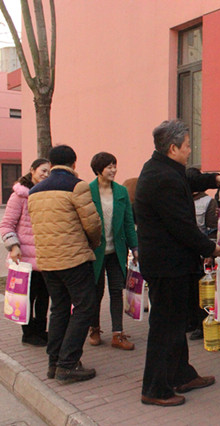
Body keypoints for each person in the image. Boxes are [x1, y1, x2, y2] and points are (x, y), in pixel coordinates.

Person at [136, 120, 220, 406]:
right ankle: (155, 389)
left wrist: (214, 179)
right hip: (167, 266)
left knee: (176, 325)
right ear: (173, 148)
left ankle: (181, 375)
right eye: (187, 146)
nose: (191, 150)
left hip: (172, 264)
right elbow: (181, 226)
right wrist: (211, 248)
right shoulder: (161, 178)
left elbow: (188, 178)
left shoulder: (162, 168)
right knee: (165, 327)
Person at [28, 145, 102, 384]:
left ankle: (54, 363)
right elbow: (92, 224)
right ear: (74, 163)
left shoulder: (34, 191)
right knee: (84, 307)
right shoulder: (76, 186)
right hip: (73, 258)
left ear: (51, 164)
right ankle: (68, 364)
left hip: (47, 261)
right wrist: (93, 244)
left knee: (59, 309)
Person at [88, 152, 138, 351]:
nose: (113, 170)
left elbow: (128, 222)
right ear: (98, 170)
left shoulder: (121, 191)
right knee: (96, 292)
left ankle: (118, 334)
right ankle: (94, 328)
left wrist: (135, 247)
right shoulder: (87, 191)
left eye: (114, 166)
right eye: (109, 166)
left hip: (117, 251)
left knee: (117, 290)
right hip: (95, 251)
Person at [0, 158, 51, 347]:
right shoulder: (19, 196)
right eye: (43, 170)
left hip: (45, 256)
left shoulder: (47, 195)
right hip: (25, 258)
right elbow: (7, 225)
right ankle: (28, 333)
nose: (46, 174)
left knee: (44, 297)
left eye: (49, 172)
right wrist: (13, 246)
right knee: (27, 297)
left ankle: (41, 330)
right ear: (32, 170)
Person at [185, 167, 219, 341]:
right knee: (189, 290)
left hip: (202, 254)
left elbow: (213, 229)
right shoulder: (182, 199)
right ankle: (190, 321)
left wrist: (209, 253)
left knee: (203, 293)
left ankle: (202, 324)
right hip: (186, 254)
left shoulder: (208, 202)